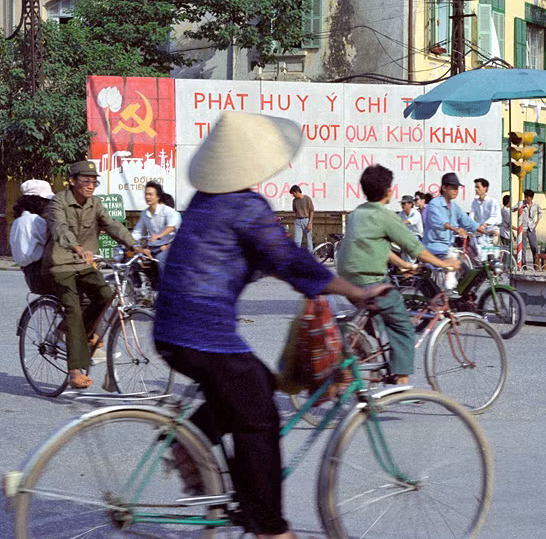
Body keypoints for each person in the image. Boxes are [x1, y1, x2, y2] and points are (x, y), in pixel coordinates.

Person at [154, 112, 389, 539]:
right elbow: (287, 259)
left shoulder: (204, 201)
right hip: (203, 333)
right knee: (259, 418)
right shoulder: (245, 206)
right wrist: (353, 291)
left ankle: (188, 446)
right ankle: (270, 528)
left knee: (255, 386)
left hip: (172, 330)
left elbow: (256, 258)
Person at [337, 165, 460, 385]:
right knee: (403, 324)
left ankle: (361, 353)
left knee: (380, 320)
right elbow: (415, 247)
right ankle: (401, 383)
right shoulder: (385, 216)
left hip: (347, 282)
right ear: (388, 191)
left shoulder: (357, 213)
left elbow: (378, 247)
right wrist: (443, 263)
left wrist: (404, 264)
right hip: (370, 282)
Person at [44, 160, 144, 389]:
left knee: (106, 296)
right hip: (61, 264)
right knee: (73, 310)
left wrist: (134, 245)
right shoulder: (58, 201)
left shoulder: (95, 203)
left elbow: (112, 225)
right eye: (86, 181)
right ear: (72, 181)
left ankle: (74, 333)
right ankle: (74, 371)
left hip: (86, 264)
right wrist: (77, 247)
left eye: (94, 181)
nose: (91, 186)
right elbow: (59, 228)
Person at [423, 172, 487, 258]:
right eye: (453, 188)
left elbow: (467, 221)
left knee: (469, 268)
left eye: (457, 188)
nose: (456, 191)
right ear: (444, 188)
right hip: (434, 249)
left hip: (449, 249)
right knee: (455, 268)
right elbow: (440, 223)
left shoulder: (454, 207)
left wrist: (485, 231)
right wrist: (456, 229)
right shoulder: (434, 204)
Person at [10, 179, 55, 295]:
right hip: (40, 273)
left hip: (29, 275)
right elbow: (53, 242)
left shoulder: (18, 221)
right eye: (46, 201)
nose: (49, 205)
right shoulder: (35, 220)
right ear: (38, 202)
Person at [132, 180, 181, 273]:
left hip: (165, 247)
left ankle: (166, 286)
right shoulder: (144, 213)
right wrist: (129, 242)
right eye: (146, 194)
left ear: (158, 196)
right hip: (151, 247)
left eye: (150, 194)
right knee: (132, 260)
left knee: (162, 262)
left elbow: (172, 226)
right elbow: (137, 232)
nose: (147, 197)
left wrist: (159, 235)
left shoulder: (167, 211)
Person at [518, 189, 543, 265]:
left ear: (531, 198)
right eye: (525, 197)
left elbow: (540, 212)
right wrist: (519, 208)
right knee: (523, 248)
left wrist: (537, 222)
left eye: (527, 197)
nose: (526, 199)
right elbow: (513, 209)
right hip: (523, 228)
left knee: (534, 246)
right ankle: (523, 265)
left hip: (531, 228)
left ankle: (535, 264)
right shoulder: (521, 203)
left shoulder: (535, 205)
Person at [289, 185, 314, 253]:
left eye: (293, 193)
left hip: (306, 220)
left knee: (309, 240)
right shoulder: (294, 201)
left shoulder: (307, 198)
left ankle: (311, 257)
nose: (293, 195)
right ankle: (297, 258)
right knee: (297, 241)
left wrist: (310, 223)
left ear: (297, 192)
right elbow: (295, 210)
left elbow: (311, 211)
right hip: (297, 221)